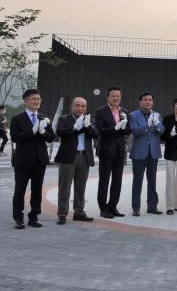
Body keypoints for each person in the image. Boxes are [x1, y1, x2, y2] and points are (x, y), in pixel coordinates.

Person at [10, 89, 55, 228]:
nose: (36, 101)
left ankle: (34, 216)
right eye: (33, 99)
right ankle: (18, 218)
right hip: (23, 160)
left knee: (37, 190)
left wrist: (43, 132)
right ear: (25, 100)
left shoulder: (44, 118)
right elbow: (15, 137)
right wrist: (32, 131)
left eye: (38, 99)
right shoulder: (17, 119)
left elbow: (51, 137)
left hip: (40, 160)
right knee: (20, 190)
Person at [55, 96, 96, 224]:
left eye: (83, 106)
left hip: (84, 157)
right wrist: (74, 128)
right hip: (68, 157)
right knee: (64, 186)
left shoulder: (89, 119)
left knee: (81, 186)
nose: (80, 108)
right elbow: (60, 132)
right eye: (77, 105)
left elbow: (97, 134)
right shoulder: (64, 119)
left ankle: (79, 211)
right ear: (72, 106)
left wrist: (88, 127)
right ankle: (62, 213)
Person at [94, 86, 130, 219]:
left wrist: (124, 128)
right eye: (113, 96)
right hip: (106, 150)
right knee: (104, 180)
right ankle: (103, 209)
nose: (116, 98)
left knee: (117, 180)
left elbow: (128, 130)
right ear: (107, 97)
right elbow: (99, 130)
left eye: (118, 96)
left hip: (120, 150)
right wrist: (115, 128)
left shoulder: (124, 111)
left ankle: (113, 206)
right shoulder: (101, 111)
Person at [129, 92, 165, 216]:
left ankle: (152, 206)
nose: (148, 102)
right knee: (137, 181)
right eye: (145, 100)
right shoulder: (133, 115)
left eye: (150, 100)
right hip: (139, 153)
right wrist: (147, 125)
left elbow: (161, 130)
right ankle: (136, 207)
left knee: (152, 180)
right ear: (140, 102)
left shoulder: (157, 115)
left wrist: (157, 124)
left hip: (153, 152)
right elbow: (134, 130)